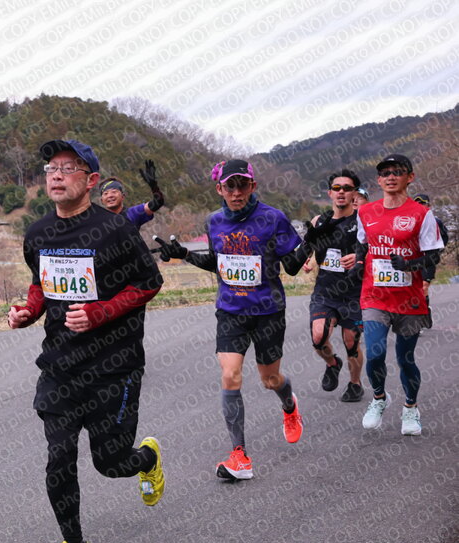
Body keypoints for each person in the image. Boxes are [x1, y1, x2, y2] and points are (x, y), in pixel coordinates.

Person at [8, 139, 165, 543]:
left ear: (91, 180)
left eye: (68, 168)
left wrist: (101, 312)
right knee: (59, 456)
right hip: (60, 364)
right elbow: (41, 284)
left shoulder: (115, 230)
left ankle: (146, 459)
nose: (56, 175)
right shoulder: (38, 233)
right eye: (51, 168)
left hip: (114, 364)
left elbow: (149, 283)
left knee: (110, 463)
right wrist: (29, 311)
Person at [155, 159, 305, 480]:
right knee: (230, 375)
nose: (236, 192)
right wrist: (184, 255)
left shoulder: (273, 218)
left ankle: (289, 405)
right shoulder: (215, 221)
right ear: (219, 189)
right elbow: (217, 262)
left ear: (253, 186)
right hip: (230, 310)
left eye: (242, 185)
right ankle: (240, 456)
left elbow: (292, 267)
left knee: (270, 380)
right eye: (230, 186)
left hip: (268, 311)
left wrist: (314, 242)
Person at [352, 154, 444, 435]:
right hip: (374, 296)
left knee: (405, 358)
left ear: (410, 177)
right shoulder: (366, 212)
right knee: (375, 352)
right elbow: (362, 245)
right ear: (378, 180)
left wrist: (410, 264)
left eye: (397, 172)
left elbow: (433, 255)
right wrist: (358, 264)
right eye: (385, 173)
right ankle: (379, 398)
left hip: (409, 299)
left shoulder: (422, 214)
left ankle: (410, 407)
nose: (390, 177)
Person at [303, 170, 365, 402]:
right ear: (329, 193)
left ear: (354, 194)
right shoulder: (319, 221)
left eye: (347, 188)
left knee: (351, 342)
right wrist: (308, 260)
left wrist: (359, 258)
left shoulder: (362, 222)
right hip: (325, 292)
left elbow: (375, 250)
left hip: (354, 293)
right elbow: (312, 247)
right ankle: (332, 363)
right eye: (336, 188)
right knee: (318, 337)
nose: (341, 192)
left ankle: (355, 384)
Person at [412, 193, 450, 328]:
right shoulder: (409, 222)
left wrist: (435, 253)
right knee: (413, 289)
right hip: (413, 261)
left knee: (423, 287)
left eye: (423, 203)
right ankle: (418, 313)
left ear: (429, 205)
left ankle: (423, 314)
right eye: (417, 203)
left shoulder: (436, 222)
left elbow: (444, 239)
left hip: (428, 261)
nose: (420, 206)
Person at [98, 159, 165, 227]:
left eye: (114, 192)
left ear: (122, 196)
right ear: (102, 200)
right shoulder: (99, 222)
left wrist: (154, 186)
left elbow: (158, 202)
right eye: (106, 193)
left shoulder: (133, 213)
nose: (110, 195)